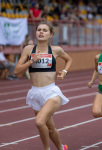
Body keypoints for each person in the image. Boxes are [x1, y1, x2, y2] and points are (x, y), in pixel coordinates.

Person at [14, 21, 72, 150]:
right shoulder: (29, 49)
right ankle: (61, 148)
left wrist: (64, 71)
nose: (41, 32)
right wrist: (31, 61)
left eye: (44, 30)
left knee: (39, 122)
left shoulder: (56, 50)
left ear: (51, 34)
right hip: (35, 93)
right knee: (49, 127)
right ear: (35, 33)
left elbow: (69, 59)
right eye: (39, 29)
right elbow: (17, 71)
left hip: (51, 92)